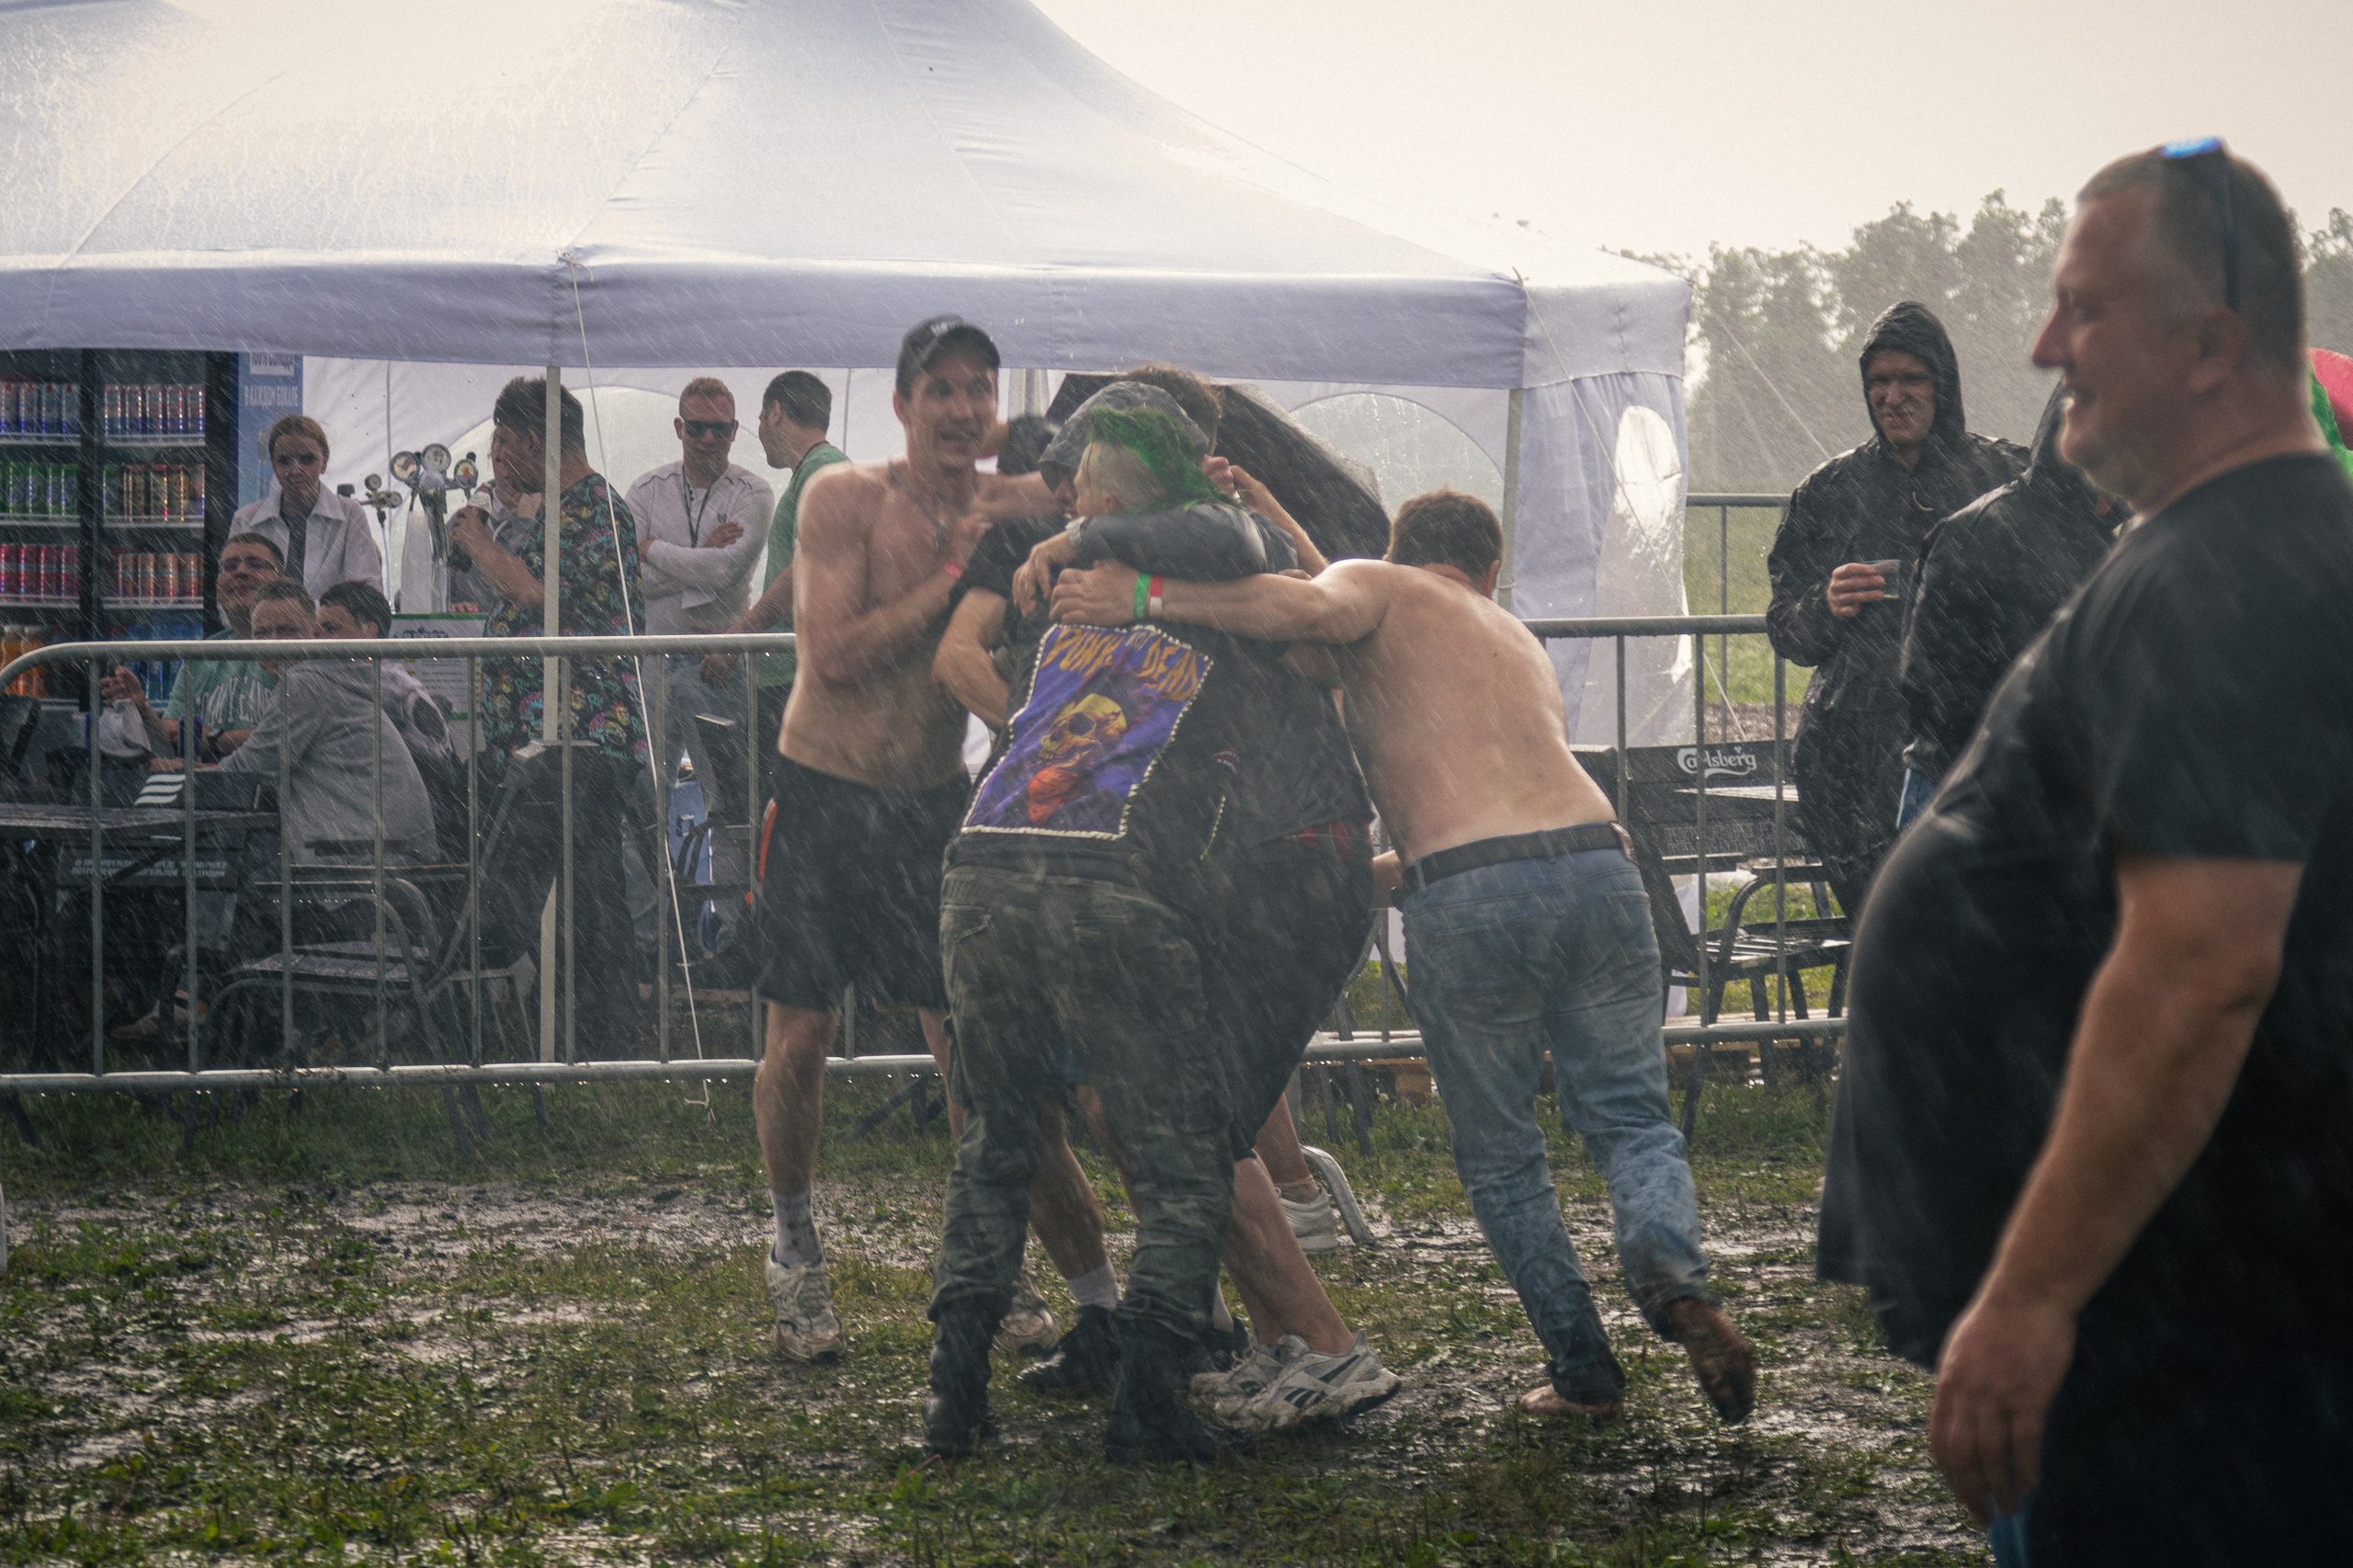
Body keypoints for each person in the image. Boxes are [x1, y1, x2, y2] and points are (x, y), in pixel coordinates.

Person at [1816, 142, 2353, 1564]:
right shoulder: (2227, 549)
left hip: (2181, 1316)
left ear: (2210, 344)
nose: (2047, 346)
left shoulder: (2229, 571)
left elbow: (2200, 962)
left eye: (2084, 308)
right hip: (2204, 1291)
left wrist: (2035, 1295)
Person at [1051, 487, 1756, 1430]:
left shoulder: (1376, 585)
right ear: (1489, 568)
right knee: (1631, 1117)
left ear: (1394, 549)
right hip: (1599, 863)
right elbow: (1330, 627)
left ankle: (1585, 1366)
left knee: (1505, 1155)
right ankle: (1673, 1272)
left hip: (1471, 886)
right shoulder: (1506, 634)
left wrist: (1141, 592)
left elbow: (1305, 604)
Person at [942, 382, 1400, 1430]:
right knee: (1126, 1108)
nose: (1066, 487)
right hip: (1230, 860)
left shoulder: (1205, 552)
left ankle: (1328, 1349)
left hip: (1295, 847)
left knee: (1185, 1126)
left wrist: (1135, 581)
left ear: (1124, 473)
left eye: (1086, 467)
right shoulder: (1129, 558)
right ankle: (1276, 1338)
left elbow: (1317, 633)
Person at [926, 406, 1278, 1464]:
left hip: (983, 861)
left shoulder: (1055, 591)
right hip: (1107, 877)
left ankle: (954, 1397)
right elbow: (1238, 539)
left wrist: (1075, 541)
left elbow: (1202, 533)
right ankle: (1150, 1399)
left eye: (1081, 489)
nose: (1065, 501)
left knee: (994, 1143)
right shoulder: (1175, 576)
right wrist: (1089, 534)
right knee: (1179, 1163)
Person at [751, 317, 1105, 1366]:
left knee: (977, 1053)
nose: (960, 409)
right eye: (939, 389)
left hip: (931, 800)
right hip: (820, 790)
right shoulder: (842, 497)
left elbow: (1118, 505)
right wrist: (958, 581)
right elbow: (833, 652)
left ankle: (1006, 1263)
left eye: (976, 391)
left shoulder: (1017, 505)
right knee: (801, 1038)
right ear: (902, 404)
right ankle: (794, 1244)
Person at [1766, 302, 2024, 918]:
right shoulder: (1827, 493)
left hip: (1973, 742)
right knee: (1888, 929)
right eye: (1879, 382)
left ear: (1944, 384)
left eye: (1911, 379)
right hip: (1852, 753)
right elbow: (1786, 630)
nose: (1893, 396)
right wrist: (1824, 606)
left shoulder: (2000, 477)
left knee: (1978, 926)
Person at [448, 376, 647, 1060]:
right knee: (564, 888)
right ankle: (578, 1029)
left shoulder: (594, 510)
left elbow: (537, 596)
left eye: (502, 441)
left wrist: (476, 541)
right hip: (547, 738)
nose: (498, 457)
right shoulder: (559, 510)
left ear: (534, 440)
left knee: (586, 893)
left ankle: (603, 1037)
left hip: (582, 735)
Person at [1892, 385, 2117, 829]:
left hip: (2051, 799)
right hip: (1962, 793)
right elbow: (1927, 685)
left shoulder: (2105, 549)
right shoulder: (1974, 534)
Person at [215, 580, 436, 865]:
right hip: (393, 856)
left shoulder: (306, 684)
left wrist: (176, 786)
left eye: (288, 631)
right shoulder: (332, 677)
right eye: (263, 633)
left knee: (223, 874)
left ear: (314, 635)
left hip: (360, 865)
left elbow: (248, 772)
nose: (274, 643)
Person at [699, 371, 848, 785]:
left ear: (777, 413)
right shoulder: (818, 471)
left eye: (761, 420)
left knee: (785, 813)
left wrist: (739, 636)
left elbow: (806, 571)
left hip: (799, 677)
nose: (760, 432)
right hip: (790, 674)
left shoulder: (825, 469)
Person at [626, 379, 772, 789]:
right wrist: (701, 558)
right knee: (643, 797)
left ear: (734, 430)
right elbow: (625, 580)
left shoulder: (754, 491)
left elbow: (726, 571)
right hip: (655, 661)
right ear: (678, 428)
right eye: (696, 427)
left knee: (727, 799)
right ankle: (653, 856)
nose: (708, 438)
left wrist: (652, 548)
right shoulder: (645, 489)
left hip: (718, 662)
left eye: (720, 429)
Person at [99, 532, 284, 760]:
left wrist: (216, 740)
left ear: (281, 582)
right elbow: (171, 737)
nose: (241, 571)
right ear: (216, 587)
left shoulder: (299, 647)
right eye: (229, 566)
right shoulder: (201, 654)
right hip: (209, 790)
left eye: (255, 564)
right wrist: (143, 709)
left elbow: (291, 732)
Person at [317, 579, 464, 858]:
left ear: (369, 632)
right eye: (318, 630)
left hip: (406, 832)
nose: (319, 639)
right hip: (422, 822)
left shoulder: (378, 687)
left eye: (331, 629)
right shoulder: (386, 678)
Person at [233, 414, 384, 598]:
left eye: (307, 460)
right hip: (263, 627)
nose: (296, 470)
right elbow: (232, 596)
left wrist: (305, 618)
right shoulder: (245, 519)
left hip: (330, 627)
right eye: (285, 461)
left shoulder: (351, 514)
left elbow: (367, 592)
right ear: (273, 464)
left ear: (324, 462)